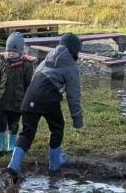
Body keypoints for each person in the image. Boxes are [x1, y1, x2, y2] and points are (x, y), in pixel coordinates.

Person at [8, 32, 84, 184]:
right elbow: (73, 96)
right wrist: (77, 120)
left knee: (27, 132)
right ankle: (54, 163)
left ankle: (14, 164)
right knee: (57, 127)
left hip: (29, 97)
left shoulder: (46, 60)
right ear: (74, 51)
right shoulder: (71, 67)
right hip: (49, 99)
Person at [0, 31, 34, 153]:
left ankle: (11, 145)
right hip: (1, 100)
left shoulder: (26, 65)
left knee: (14, 124)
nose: (11, 53)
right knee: (0, 123)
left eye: (14, 51)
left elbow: (28, 84)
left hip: (17, 101)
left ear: (20, 52)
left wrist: (29, 101)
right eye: (9, 50)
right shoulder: (1, 62)